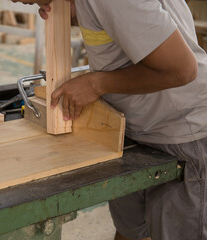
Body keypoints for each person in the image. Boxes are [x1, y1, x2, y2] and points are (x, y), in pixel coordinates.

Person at [12, 0, 207, 239]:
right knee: (129, 231)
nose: (13, 1)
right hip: (137, 130)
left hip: (181, 133)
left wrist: (95, 84)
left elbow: (182, 69)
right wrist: (76, 12)